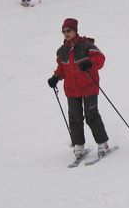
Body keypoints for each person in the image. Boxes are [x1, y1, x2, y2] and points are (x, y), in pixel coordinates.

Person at [47, 18, 110, 160]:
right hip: (72, 90)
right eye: (63, 31)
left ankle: (103, 143)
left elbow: (101, 59)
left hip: (89, 87)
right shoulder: (62, 51)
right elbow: (61, 69)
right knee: (75, 118)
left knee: (91, 116)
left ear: (75, 30)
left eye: (68, 30)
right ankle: (79, 145)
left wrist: (90, 62)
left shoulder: (87, 45)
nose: (66, 33)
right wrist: (55, 77)